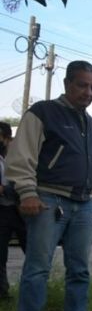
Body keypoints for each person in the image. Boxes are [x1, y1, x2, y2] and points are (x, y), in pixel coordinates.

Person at [6, 60, 92, 311]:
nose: (88, 92)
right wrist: (28, 192)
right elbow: (21, 157)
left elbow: (87, 170)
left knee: (79, 270)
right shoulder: (43, 113)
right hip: (48, 199)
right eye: (82, 85)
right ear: (67, 83)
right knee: (38, 268)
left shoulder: (89, 123)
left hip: (84, 202)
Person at [0, 121, 26, 300]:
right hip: (3, 211)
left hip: (18, 210)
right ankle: (3, 295)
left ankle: (32, 293)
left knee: (32, 251)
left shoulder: (13, 157)